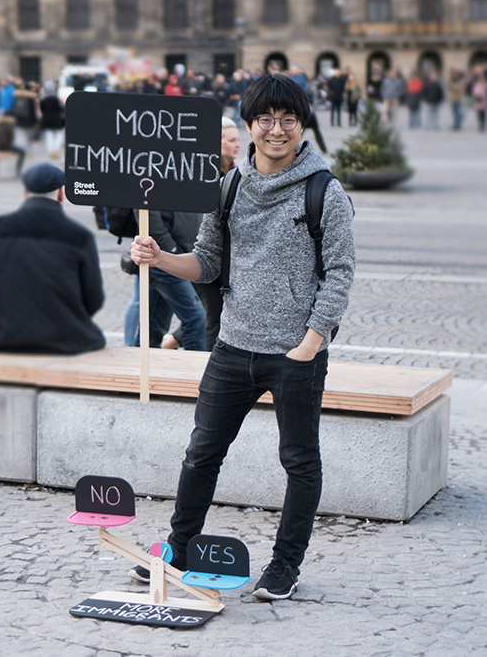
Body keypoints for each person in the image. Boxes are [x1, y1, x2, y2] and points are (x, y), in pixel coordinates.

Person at [128, 73, 355, 600]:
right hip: (232, 346)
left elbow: (340, 273)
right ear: (247, 125)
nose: (277, 130)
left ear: (301, 124)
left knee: (299, 461)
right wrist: (161, 258)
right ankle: (179, 547)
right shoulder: (228, 186)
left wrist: (308, 344)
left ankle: (284, 566)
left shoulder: (326, 191)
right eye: (265, 120)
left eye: (288, 119)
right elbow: (207, 262)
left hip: (294, 353)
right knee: (201, 452)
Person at [0, 163, 105, 354]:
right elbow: (94, 297)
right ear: (61, 194)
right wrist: (71, 318)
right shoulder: (80, 236)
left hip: (6, 338)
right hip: (68, 340)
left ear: (25, 192)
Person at [162, 116, 240, 351]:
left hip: (227, 255)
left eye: (238, 140)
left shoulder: (235, 171)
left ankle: (171, 342)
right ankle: (206, 364)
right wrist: (173, 248)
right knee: (210, 315)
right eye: (231, 140)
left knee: (207, 311)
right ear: (217, 142)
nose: (237, 145)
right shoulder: (203, 170)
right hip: (203, 251)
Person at [123, 208, 206, 351]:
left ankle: (139, 365)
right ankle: (194, 370)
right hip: (162, 252)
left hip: (180, 250)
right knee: (195, 318)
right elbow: (144, 204)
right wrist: (170, 249)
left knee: (153, 324)